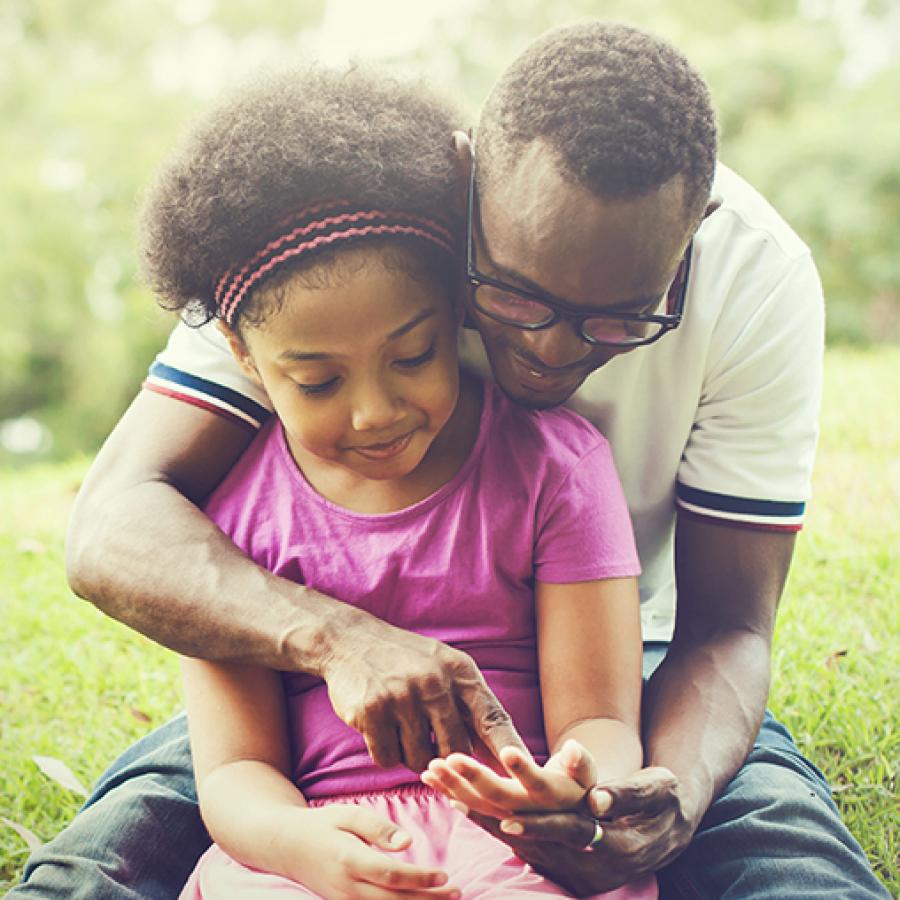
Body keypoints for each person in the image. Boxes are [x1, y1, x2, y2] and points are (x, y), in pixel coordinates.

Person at [13, 20, 889, 900]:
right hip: (318, 697)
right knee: (96, 870)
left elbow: (730, 627)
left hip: (631, 678)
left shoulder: (758, 278)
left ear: (695, 233)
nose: (551, 350)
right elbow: (112, 527)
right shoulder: (342, 232)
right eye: (511, 295)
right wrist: (339, 643)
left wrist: (662, 796)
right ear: (468, 185)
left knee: (794, 869)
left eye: (620, 317)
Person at [147, 65, 652, 899]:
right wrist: (302, 846)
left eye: (412, 356)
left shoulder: (556, 470)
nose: (374, 412)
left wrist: (572, 783)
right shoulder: (230, 520)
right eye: (316, 382)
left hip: (509, 835)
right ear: (242, 357)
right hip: (314, 839)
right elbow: (235, 769)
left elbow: (599, 716)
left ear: (457, 305)